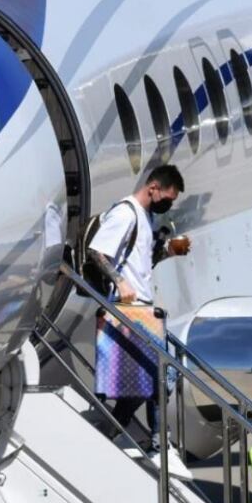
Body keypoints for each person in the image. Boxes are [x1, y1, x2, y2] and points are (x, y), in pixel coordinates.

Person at [86, 165, 190, 436]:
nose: (168, 205)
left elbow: (142, 263)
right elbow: (96, 251)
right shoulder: (125, 213)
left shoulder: (146, 217)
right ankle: (157, 440)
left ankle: (117, 429)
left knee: (152, 378)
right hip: (127, 310)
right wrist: (120, 282)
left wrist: (169, 250)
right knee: (161, 373)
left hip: (143, 308)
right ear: (153, 188)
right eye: (167, 198)